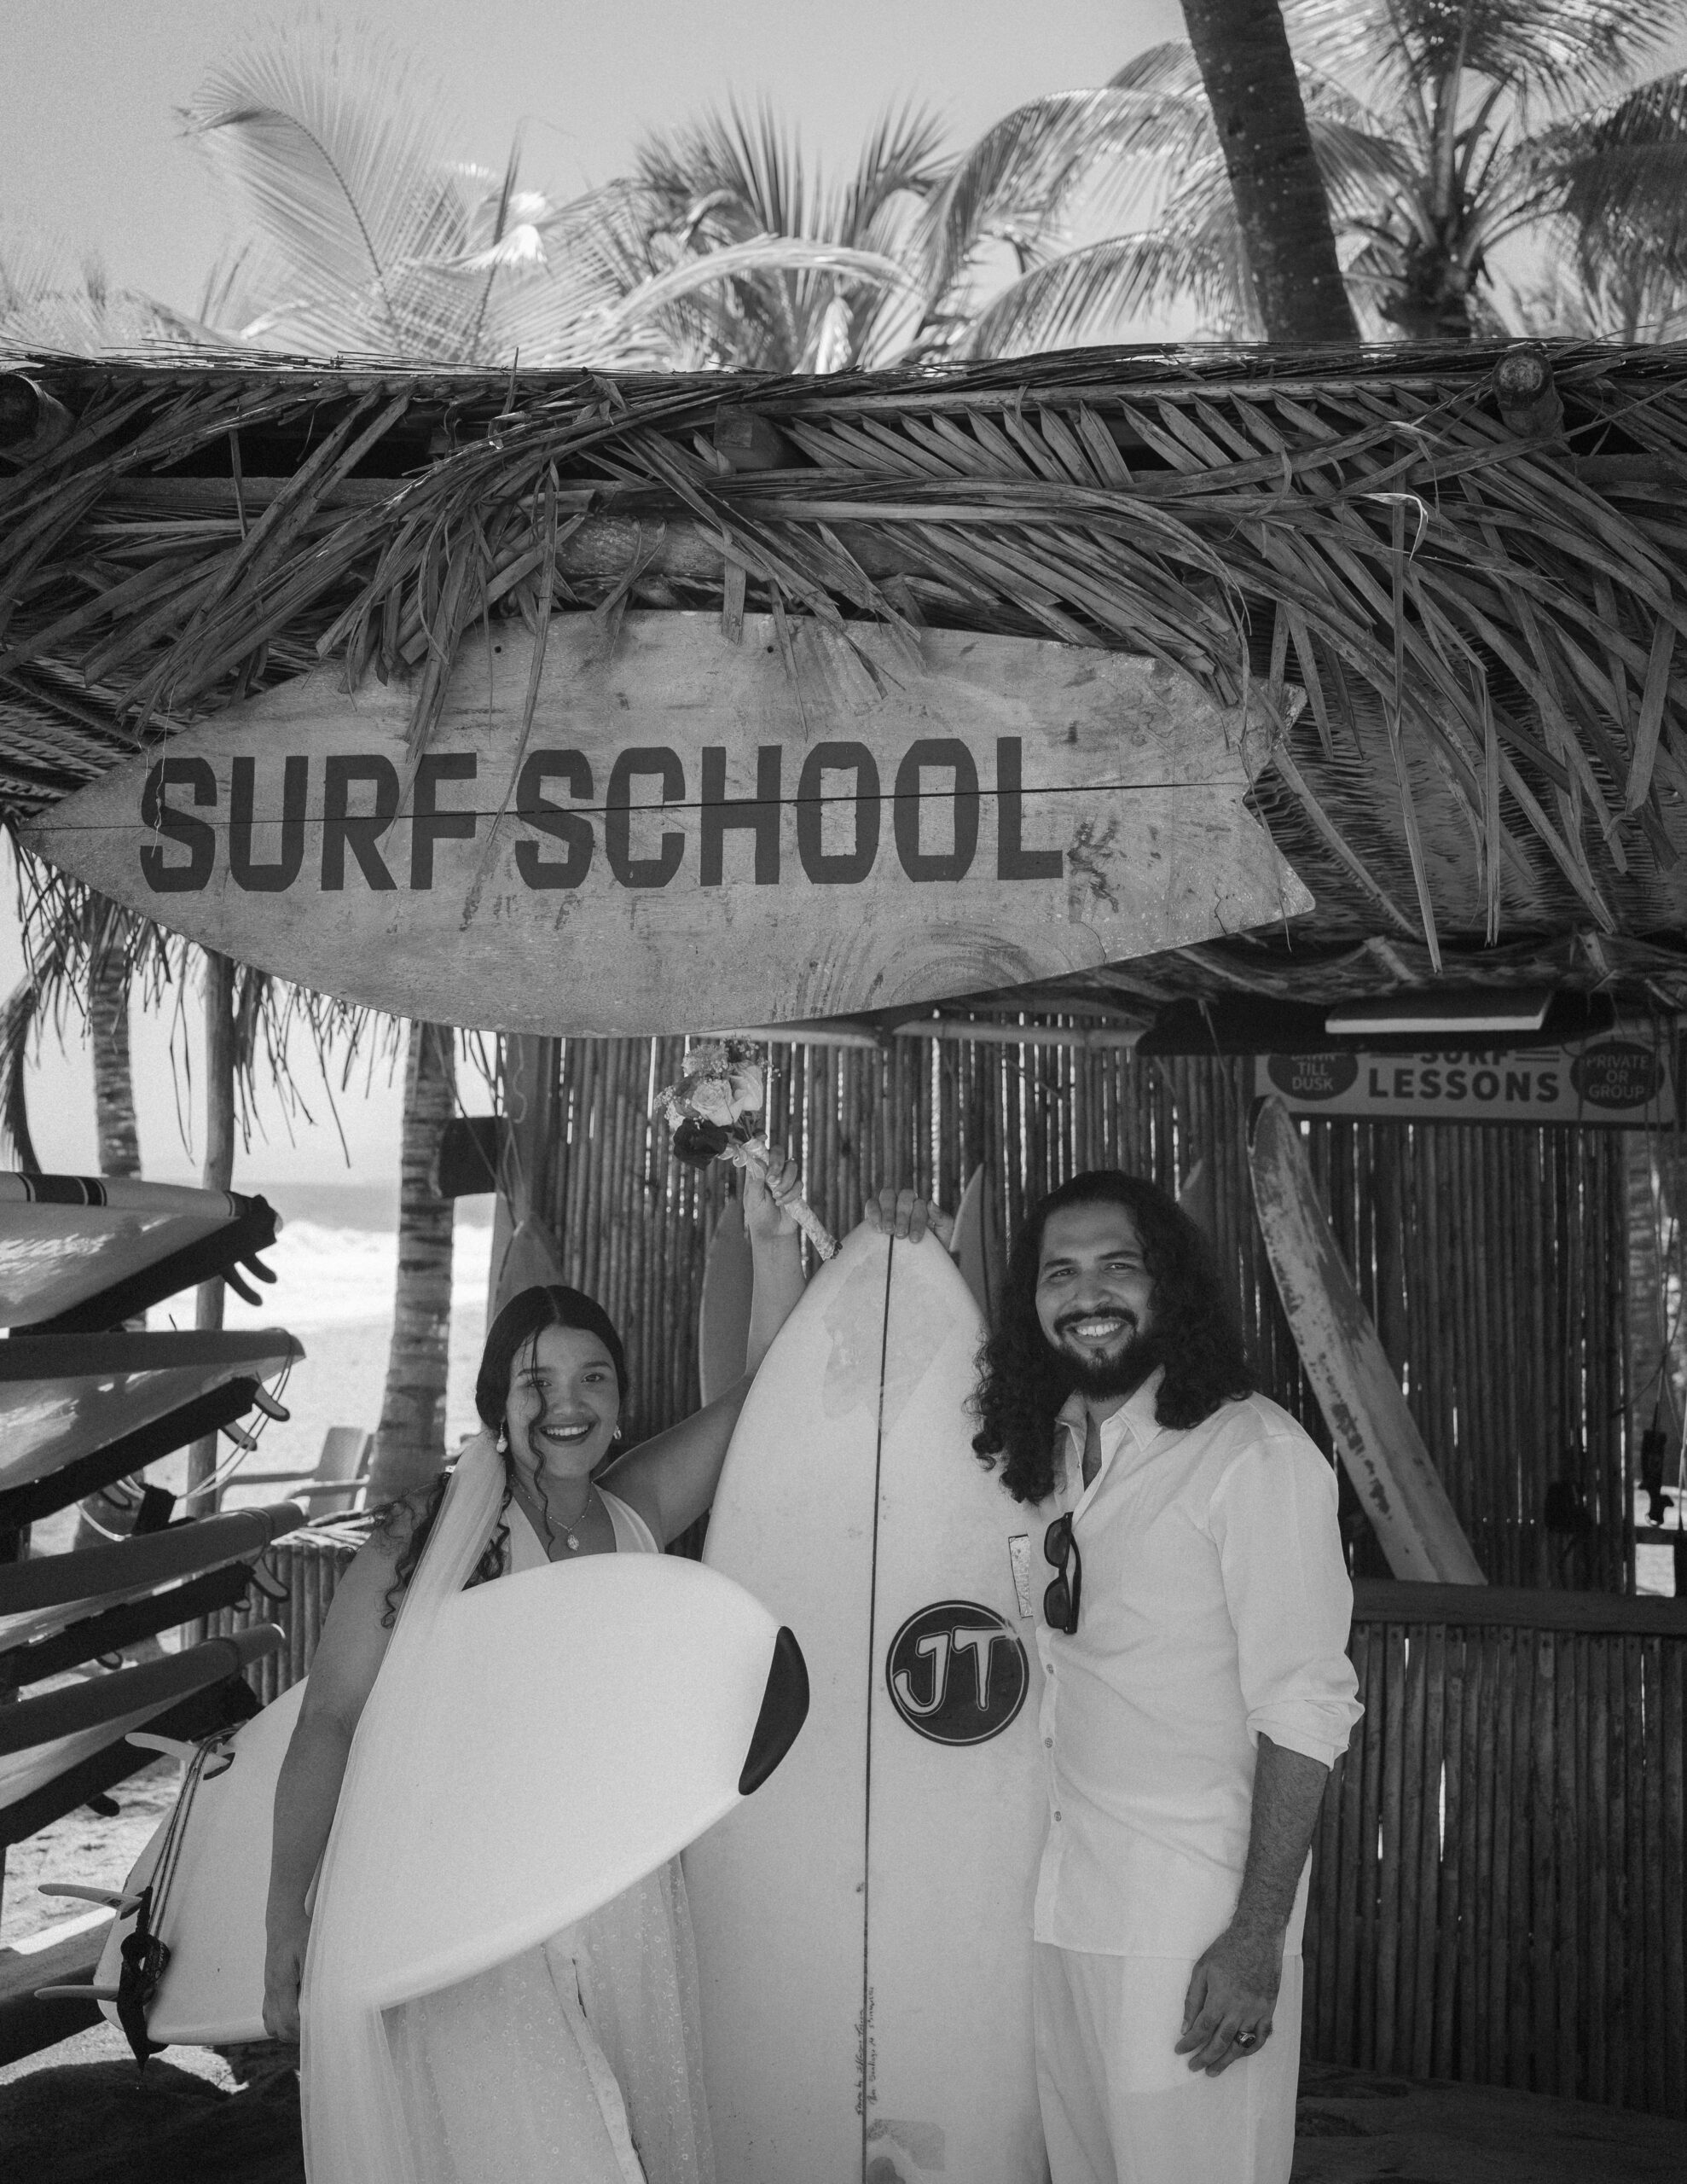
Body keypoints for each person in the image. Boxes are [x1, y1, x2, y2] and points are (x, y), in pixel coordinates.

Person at [264, 1152, 808, 2184]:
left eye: (592, 1378)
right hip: (472, 1914)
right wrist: (285, 1915)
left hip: (624, 1908)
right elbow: (330, 1716)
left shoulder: (633, 1508)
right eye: (537, 1382)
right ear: (494, 1399)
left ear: (620, 1395)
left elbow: (761, 1409)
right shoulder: (425, 1541)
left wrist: (772, 1245)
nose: (567, 1405)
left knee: (631, 2144)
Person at [866, 1171, 1362, 2184]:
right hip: (1066, 1911)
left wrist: (1256, 1936)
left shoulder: (1250, 1455)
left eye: (1117, 1267)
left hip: (1192, 1928)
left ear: (1166, 1287)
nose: (1088, 1294)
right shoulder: (1047, 1453)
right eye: (1060, 1273)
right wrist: (902, 1253)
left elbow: (1307, 1710)